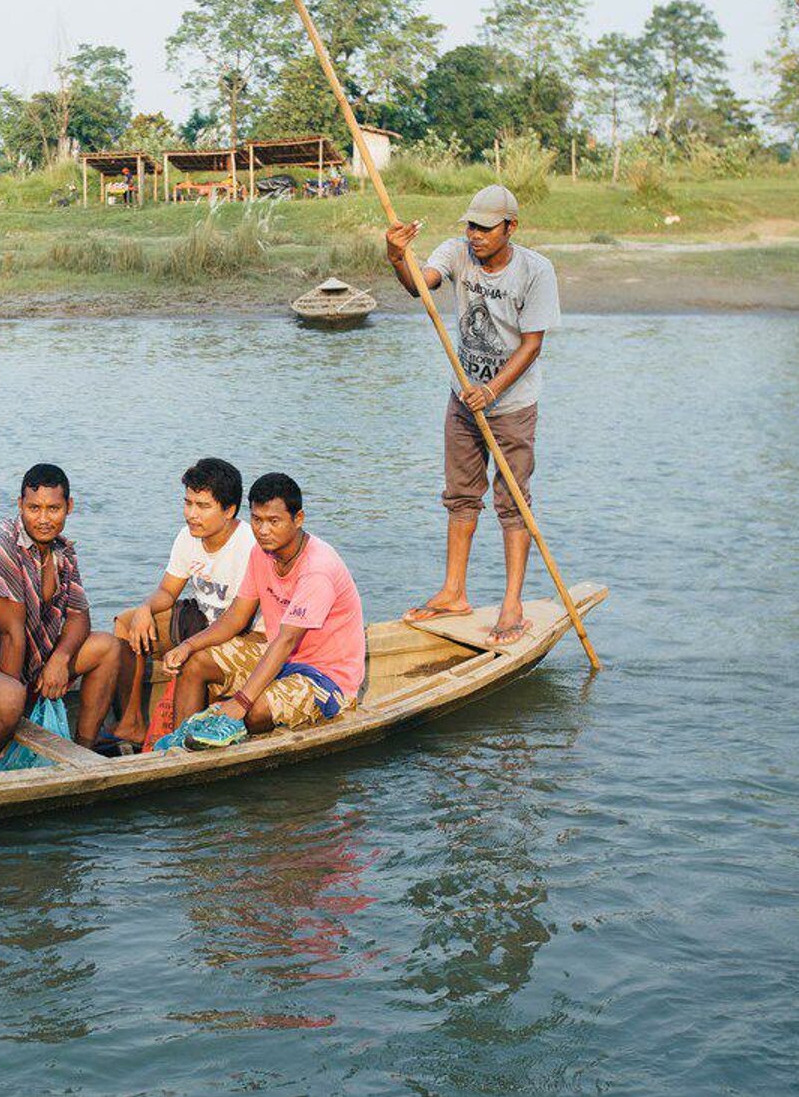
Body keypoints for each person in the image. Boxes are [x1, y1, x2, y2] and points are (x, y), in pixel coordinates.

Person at [384, 183, 561, 645]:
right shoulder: (457, 253)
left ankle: (511, 602)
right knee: (461, 495)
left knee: (512, 501)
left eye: (485, 228)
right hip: (462, 398)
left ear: (510, 228)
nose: (475, 235)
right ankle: (454, 591)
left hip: (512, 405)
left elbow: (533, 343)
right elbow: (421, 289)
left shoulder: (535, 271)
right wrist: (396, 256)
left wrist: (493, 389)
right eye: (471, 226)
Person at [0, 464, 119, 772]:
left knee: (108, 647)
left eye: (53, 508)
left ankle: (83, 755)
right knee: (9, 696)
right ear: (20, 506)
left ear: (69, 506)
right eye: (34, 508)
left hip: (30, 663)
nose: (43, 519)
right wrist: (17, 712)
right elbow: (11, 635)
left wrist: (60, 659)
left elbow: (79, 616)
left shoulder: (62, 552)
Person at [161, 473, 366, 744]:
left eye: (274, 521)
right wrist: (188, 645)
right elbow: (236, 615)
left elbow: (287, 639)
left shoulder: (317, 568)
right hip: (278, 654)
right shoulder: (261, 553)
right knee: (196, 662)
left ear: (299, 519)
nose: (263, 530)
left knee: (255, 710)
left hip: (326, 676)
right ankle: (180, 749)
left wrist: (241, 701)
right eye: (257, 520)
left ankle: (224, 740)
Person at [103, 457, 267, 745]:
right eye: (188, 503)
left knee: (200, 660)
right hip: (200, 621)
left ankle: (186, 736)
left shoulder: (250, 545)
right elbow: (167, 592)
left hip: (242, 634)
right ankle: (131, 723)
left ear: (229, 510)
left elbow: (239, 620)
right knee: (127, 623)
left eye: (203, 506)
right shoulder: (187, 537)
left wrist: (188, 646)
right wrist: (145, 608)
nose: (192, 514)